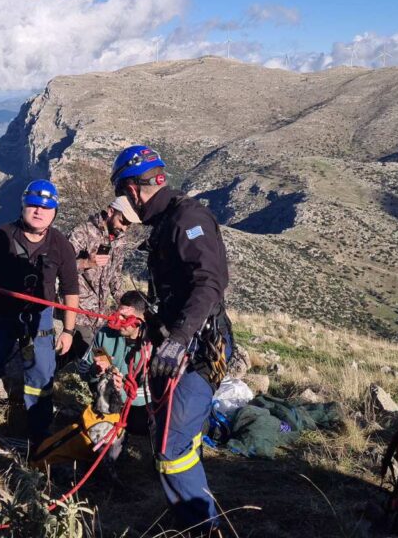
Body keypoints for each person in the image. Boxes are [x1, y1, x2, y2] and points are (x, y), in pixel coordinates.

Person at [110, 145, 233, 535]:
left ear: (132, 189)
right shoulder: (169, 220)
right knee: (173, 437)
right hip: (179, 343)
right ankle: (190, 512)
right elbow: (176, 294)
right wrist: (150, 325)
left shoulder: (187, 218)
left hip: (198, 349)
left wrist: (178, 337)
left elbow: (209, 282)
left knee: (171, 447)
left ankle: (204, 527)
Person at [0, 179, 80, 452]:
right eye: (33, 205)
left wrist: (68, 330)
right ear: (23, 206)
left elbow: (70, 289)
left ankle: (39, 439)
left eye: (45, 207)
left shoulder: (61, 246)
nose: (38, 211)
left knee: (42, 377)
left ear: (54, 212)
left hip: (40, 318)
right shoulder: (0, 237)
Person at [66, 196, 141, 363]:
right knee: (96, 356)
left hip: (101, 313)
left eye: (129, 224)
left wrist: (128, 305)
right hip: (78, 310)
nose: (125, 228)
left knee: (79, 352)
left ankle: (50, 369)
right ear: (110, 211)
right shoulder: (82, 232)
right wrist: (87, 263)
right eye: (123, 221)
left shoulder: (120, 240)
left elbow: (115, 276)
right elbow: (60, 266)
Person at [77, 290, 152, 439]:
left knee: (144, 424)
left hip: (138, 403)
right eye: (118, 314)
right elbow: (83, 367)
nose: (118, 320)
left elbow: (153, 391)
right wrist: (95, 370)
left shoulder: (152, 344)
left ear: (141, 320)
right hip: (107, 398)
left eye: (124, 317)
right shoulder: (105, 334)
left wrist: (123, 391)